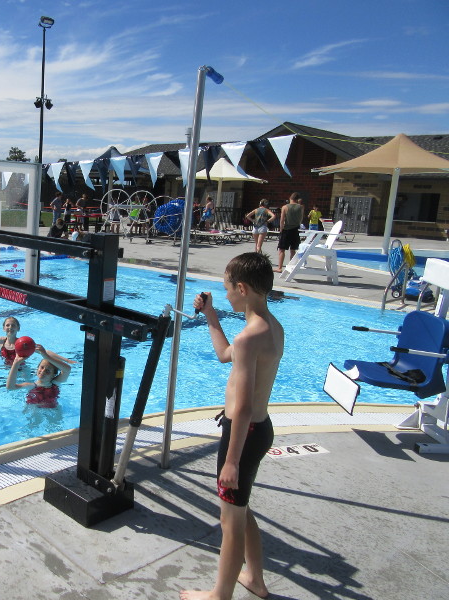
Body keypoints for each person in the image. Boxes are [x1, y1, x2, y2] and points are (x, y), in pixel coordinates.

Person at [182, 253, 283, 600]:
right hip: (261, 429)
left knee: (230, 520)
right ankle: (254, 578)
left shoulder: (249, 338)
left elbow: (240, 408)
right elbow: (225, 353)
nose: (225, 296)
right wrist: (211, 316)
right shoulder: (269, 327)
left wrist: (231, 461)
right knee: (240, 509)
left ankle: (219, 595)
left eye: (227, 290)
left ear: (242, 288)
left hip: (243, 436)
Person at [0, 316, 75, 367]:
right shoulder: (0, 341)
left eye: (13, 325)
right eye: (7, 325)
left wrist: (67, 360)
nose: (10, 327)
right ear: (3, 328)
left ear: (18, 328)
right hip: (4, 369)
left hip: (22, 370)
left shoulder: (23, 343)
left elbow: (44, 351)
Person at [6, 344, 72, 408]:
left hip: (53, 411)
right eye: (42, 367)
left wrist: (46, 356)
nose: (43, 371)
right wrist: (16, 363)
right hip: (34, 410)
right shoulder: (31, 386)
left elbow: (67, 369)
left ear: (53, 375)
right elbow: (10, 387)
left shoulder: (56, 383)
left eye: (48, 371)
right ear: (37, 368)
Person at [275, 192, 304, 272]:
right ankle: (292, 267)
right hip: (295, 230)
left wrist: (281, 230)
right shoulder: (301, 207)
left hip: (286, 230)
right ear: (297, 199)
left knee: (281, 249)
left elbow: (282, 220)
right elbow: (301, 219)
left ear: (290, 198)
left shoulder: (285, 207)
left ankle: (280, 267)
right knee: (293, 250)